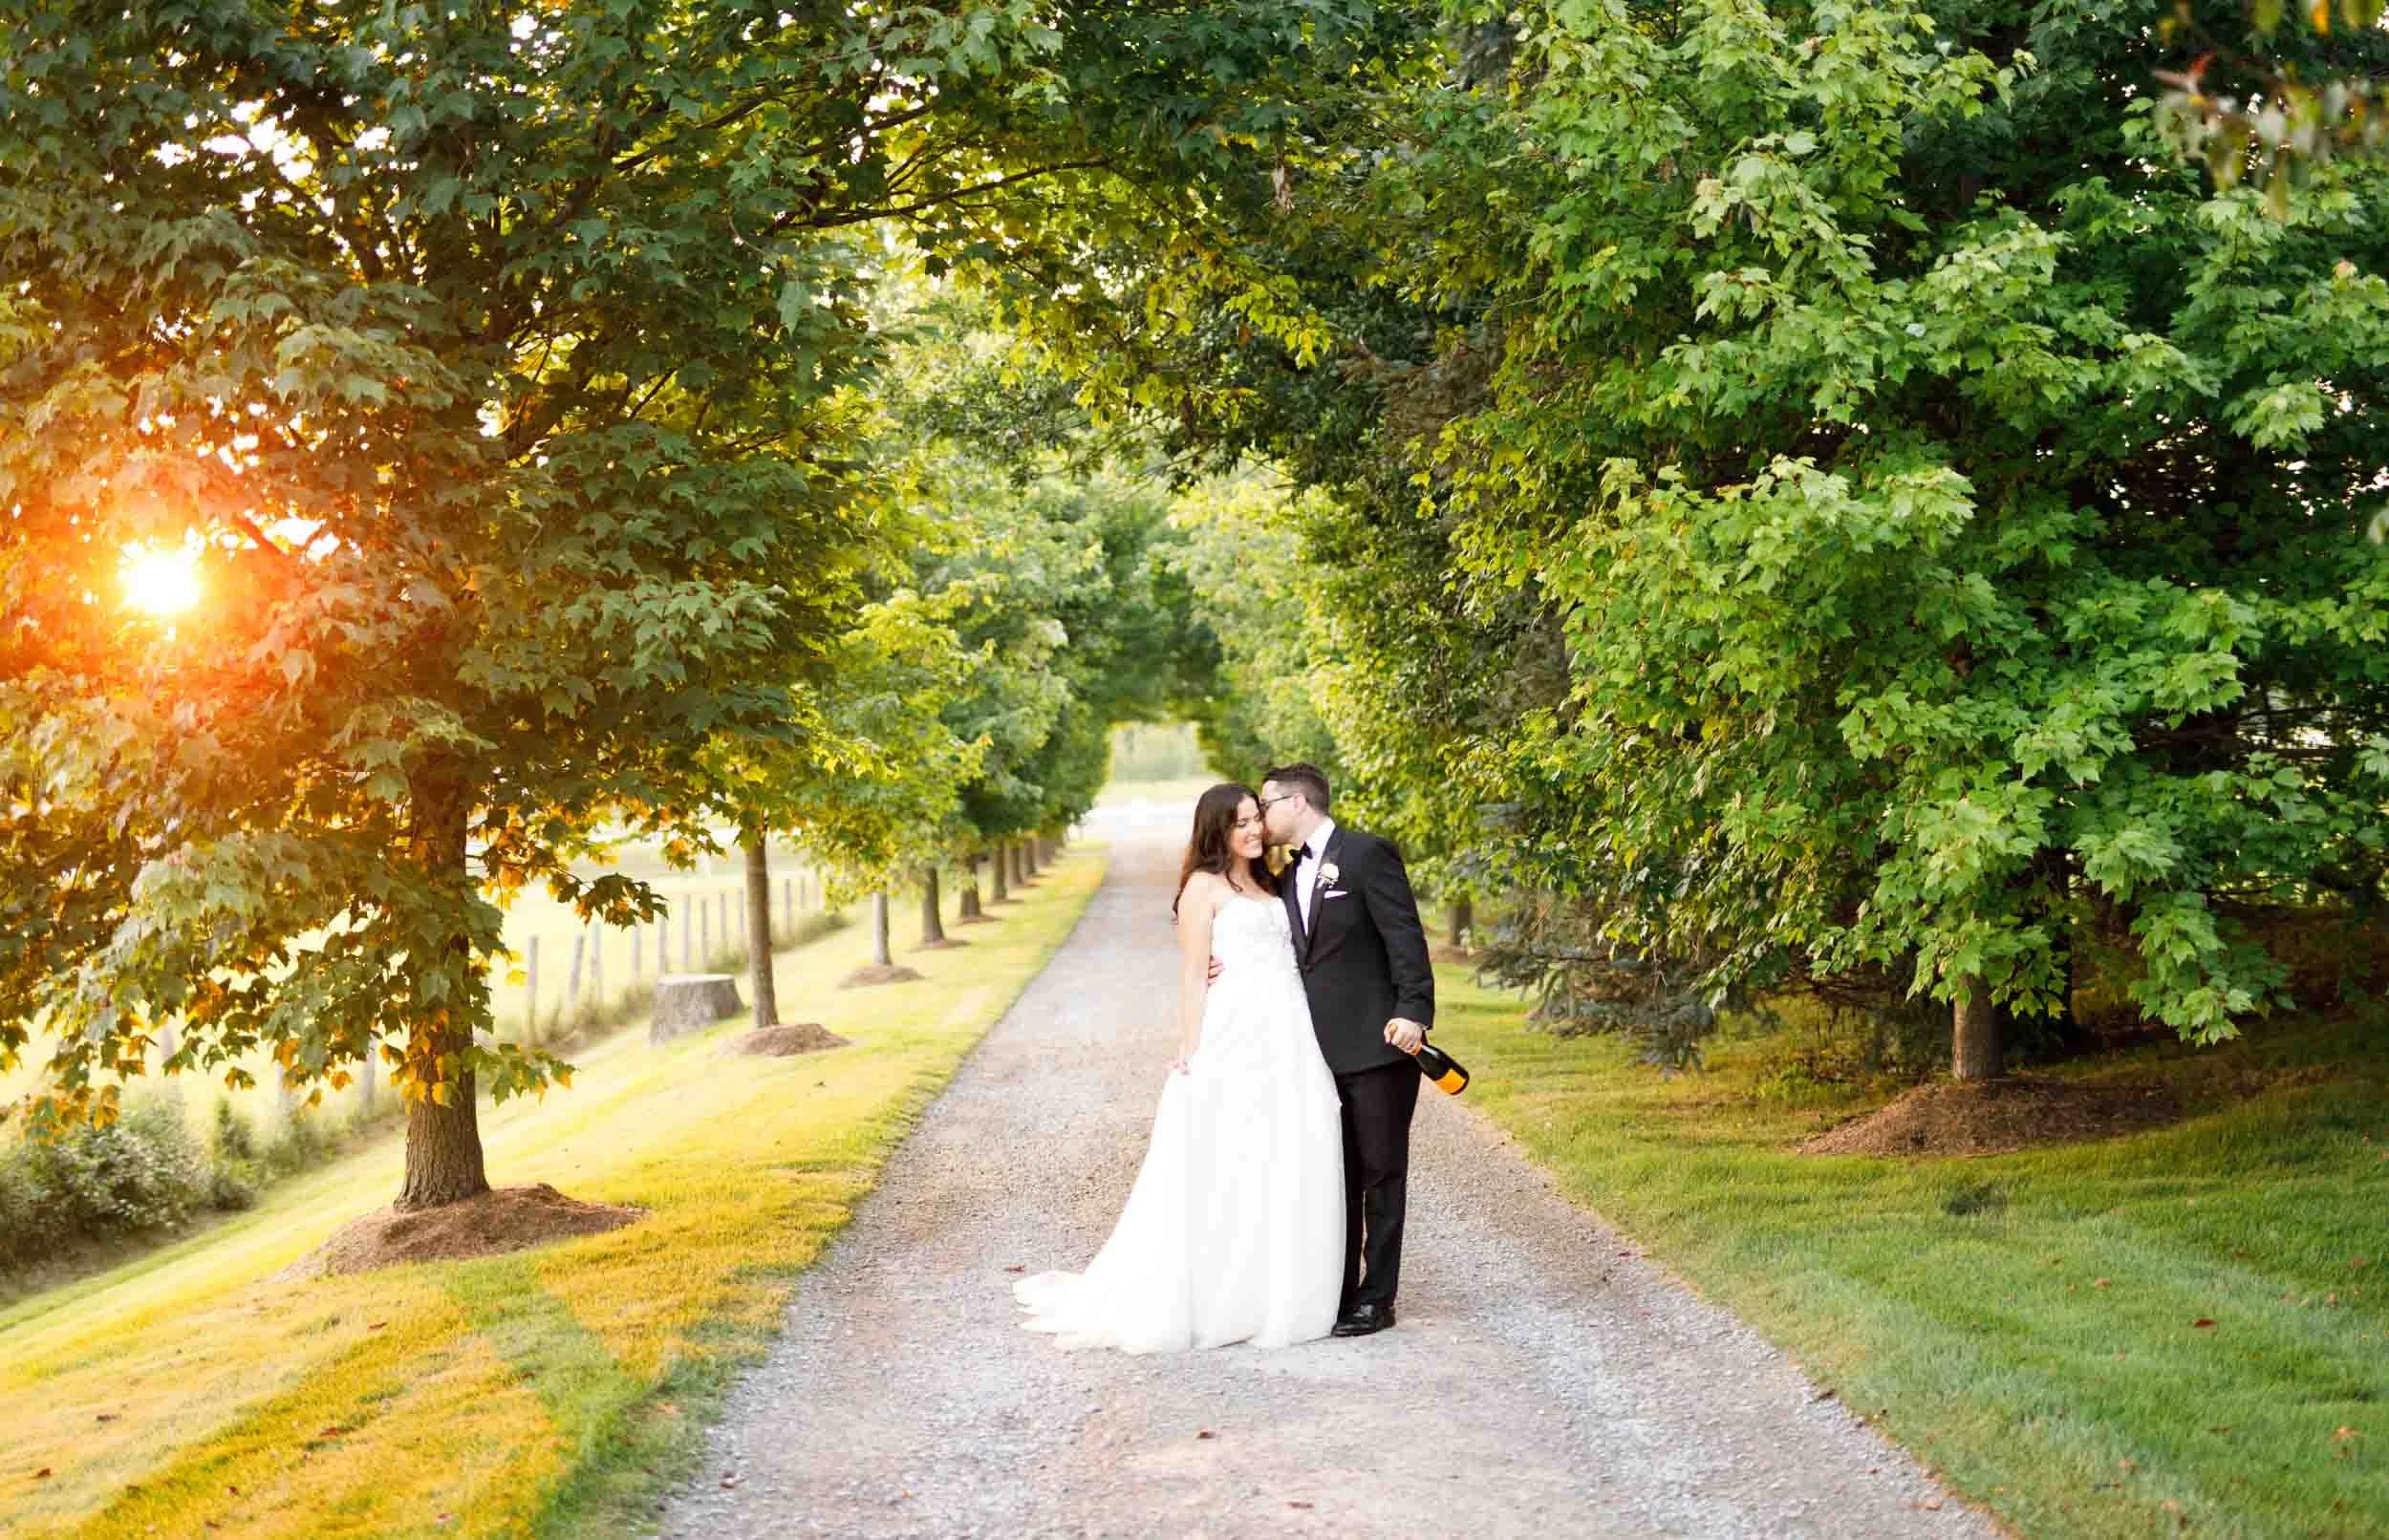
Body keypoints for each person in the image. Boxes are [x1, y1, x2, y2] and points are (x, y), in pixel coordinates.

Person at [1013, 783, 1345, 1352]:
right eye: (1239, 822)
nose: (1253, 830)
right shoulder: (1202, 888)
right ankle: (1219, 1293)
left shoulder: (1272, 883)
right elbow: (1194, 975)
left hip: (1290, 1033)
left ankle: (1280, 1289)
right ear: (1216, 829)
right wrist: (1191, 1049)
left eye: (1255, 819)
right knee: (1231, 1154)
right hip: (1236, 1032)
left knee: (1287, 1151)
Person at [1258, 762, 1434, 1337]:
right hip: (1313, 1055)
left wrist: (1413, 1011)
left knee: (1381, 1174)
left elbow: (1404, 937)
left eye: (1267, 804)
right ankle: (1333, 1293)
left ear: (1298, 802)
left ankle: (1376, 1297)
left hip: (1378, 1046)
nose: (1262, 817)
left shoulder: (1365, 855)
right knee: (1334, 1177)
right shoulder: (1284, 877)